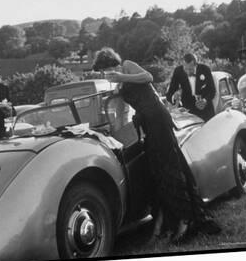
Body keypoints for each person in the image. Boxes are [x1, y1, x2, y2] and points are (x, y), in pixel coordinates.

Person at [93, 47, 219, 243]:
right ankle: (176, 221)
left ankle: (188, 221)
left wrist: (121, 77)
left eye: (105, 71)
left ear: (111, 64)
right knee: (161, 170)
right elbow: (124, 108)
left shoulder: (126, 66)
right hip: (149, 123)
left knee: (171, 168)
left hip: (158, 119)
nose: (106, 75)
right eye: (103, 73)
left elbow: (148, 77)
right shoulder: (119, 81)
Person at [166, 53, 216, 121]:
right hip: (188, 113)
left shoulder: (205, 69)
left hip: (206, 111)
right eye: (186, 69)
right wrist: (174, 97)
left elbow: (212, 90)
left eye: (191, 69)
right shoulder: (178, 71)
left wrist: (205, 100)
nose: (188, 72)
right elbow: (170, 93)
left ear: (196, 65)